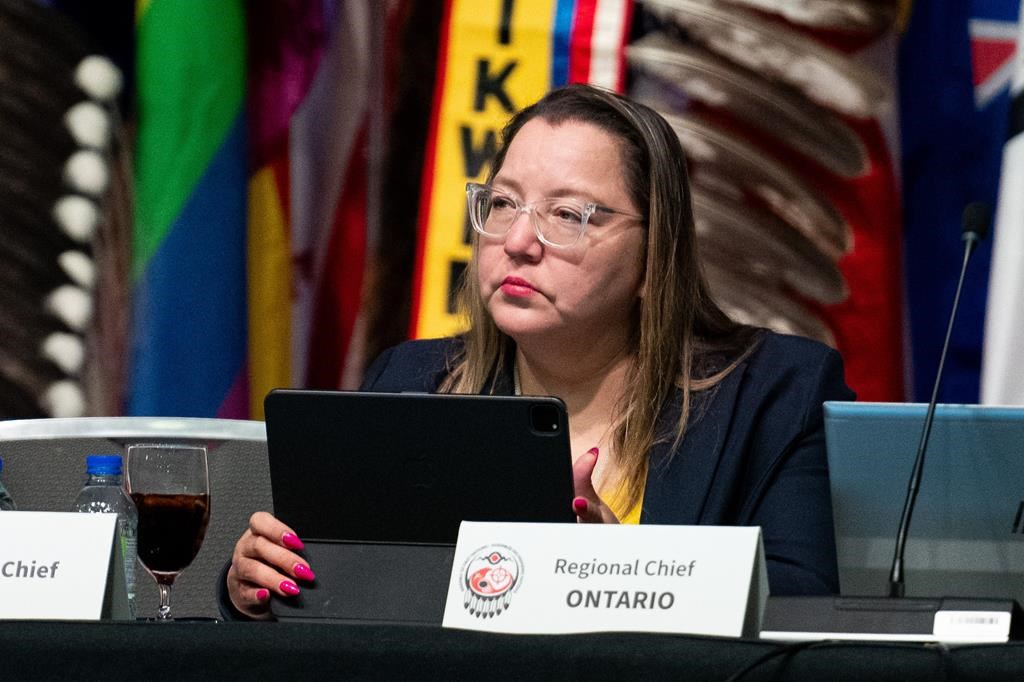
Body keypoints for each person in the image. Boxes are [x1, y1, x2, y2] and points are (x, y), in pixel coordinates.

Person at [223, 83, 855, 619]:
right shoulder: (413, 379)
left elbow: (803, 612)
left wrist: (628, 579)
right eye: (503, 204)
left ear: (654, 253)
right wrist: (259, 587)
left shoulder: (779, 394)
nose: (519, 240)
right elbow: (356, 603)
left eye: (569, 214)